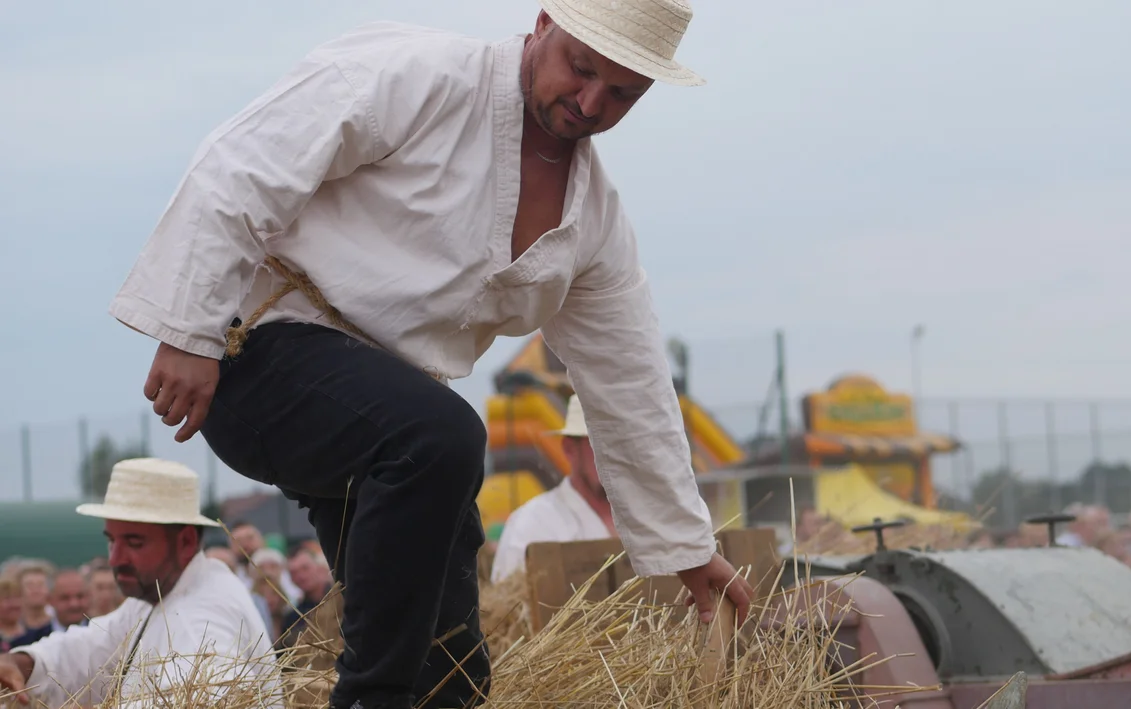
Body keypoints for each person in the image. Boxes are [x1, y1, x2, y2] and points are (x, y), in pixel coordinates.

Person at [105, 2, 752, 708]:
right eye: (582, 67)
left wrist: (688, 548)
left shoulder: (592, 222)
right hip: (256, 345)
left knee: (451, 668)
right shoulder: (420, 75)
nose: (592, 101)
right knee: (442, 436)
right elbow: (247, 164)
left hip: (382, 425)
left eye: (623, 92)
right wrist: (190, 328)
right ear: (542, 27)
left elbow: (631, 383)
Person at [0, 459, 277, 708]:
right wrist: (21, 664)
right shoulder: (159, 593)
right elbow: (93, 648)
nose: (116, 558)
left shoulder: (202, 626)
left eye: (134, 542)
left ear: (186, 541)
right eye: (112, 540)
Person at [491, 396, 617, 583]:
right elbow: (509, 607)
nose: (614, 455)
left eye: (622, 444)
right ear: (570, 449)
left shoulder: (649, 518)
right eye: (600, 444)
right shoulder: (532, 526)